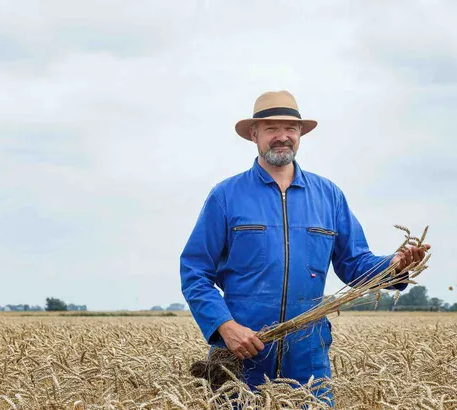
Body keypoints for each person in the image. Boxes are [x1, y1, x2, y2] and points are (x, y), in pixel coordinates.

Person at [180, 90, 430, 405]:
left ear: (300, 134)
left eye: (290, 128)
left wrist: (394, 265)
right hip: (240, 357)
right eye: (271, 129)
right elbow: (194, 271)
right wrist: (225, 327)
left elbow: (355, 264)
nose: (282, 136)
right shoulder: (226, 196)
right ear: (254, 135)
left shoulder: (329, 196)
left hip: (308, 360)